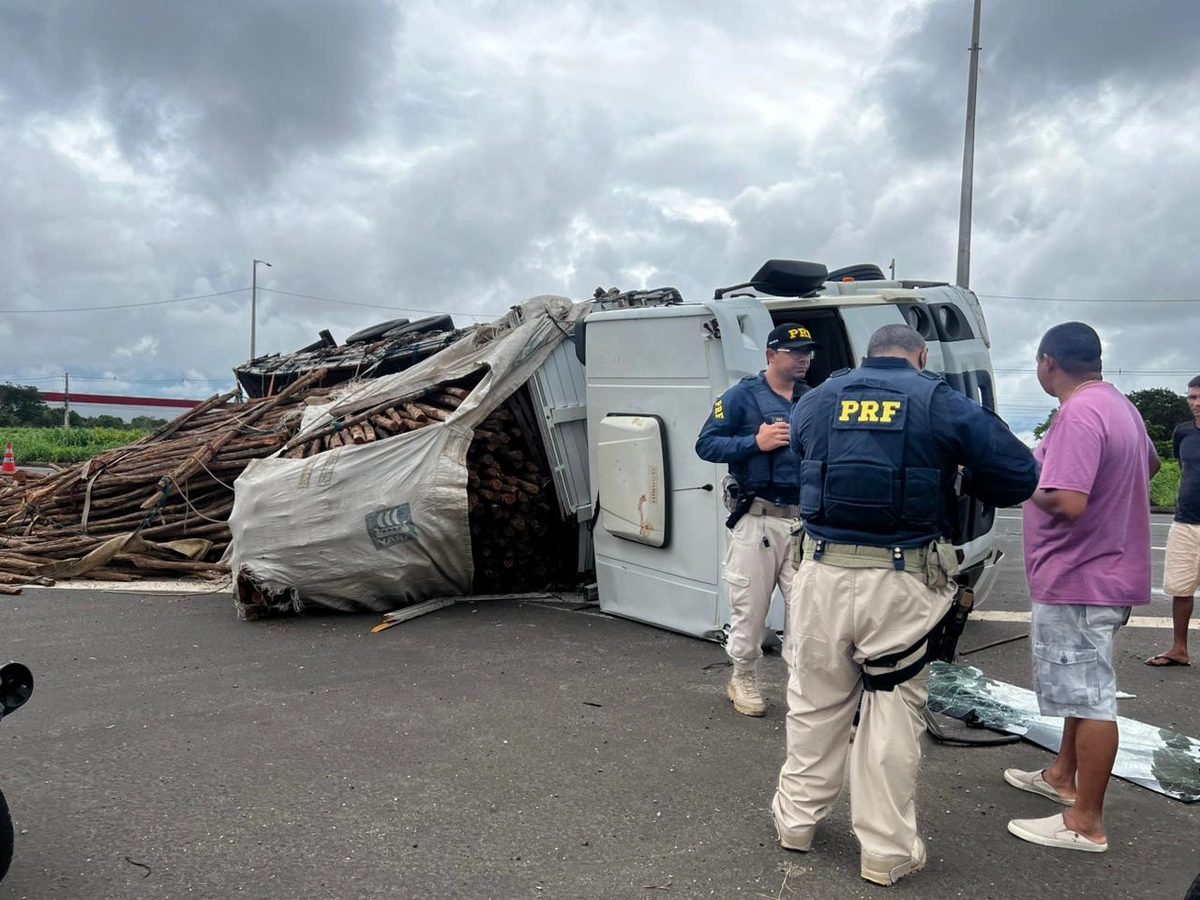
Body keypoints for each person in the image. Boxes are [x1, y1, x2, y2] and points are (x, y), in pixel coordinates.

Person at [772, 324, 1037, 886]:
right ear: (921, 355)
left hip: (819, 572)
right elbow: (1019, 475)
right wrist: (961, 474)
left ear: (868, 354)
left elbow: (802, 451)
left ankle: (796, 822)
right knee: (891, 710)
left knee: (814, 701)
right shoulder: (940, 401)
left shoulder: (817, 400)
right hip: (901, 581)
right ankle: (885, 851)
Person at [1005, 322, 1159, 854]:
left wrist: (1024, 480)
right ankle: (1061, 776)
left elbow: (1068, 501)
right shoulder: (1121, 407)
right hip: (1109, 571)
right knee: (1082, 688)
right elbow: (1150, 464)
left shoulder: (1078, 412)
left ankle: (1086, 821)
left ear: (1047, 362)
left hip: (1080, 576)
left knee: (1092, 699)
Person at [696, 322, 818, 717]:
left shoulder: (813, 399)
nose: (803, 359)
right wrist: (755, 442)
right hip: (757, 518)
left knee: (808, 614)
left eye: (807, 352)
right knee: (750, 608)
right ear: (770, 355)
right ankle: (743, 677)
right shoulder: (741, 397)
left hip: (802, 523)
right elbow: (706, 444)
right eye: (794, 352)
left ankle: (804, 690)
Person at [1146, 375, 1200, 667]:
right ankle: (1179, 649)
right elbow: (1184, 468)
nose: (1196, 403)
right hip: (1185, 522)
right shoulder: (1183, 432)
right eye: (1192, 397)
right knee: (1181, 588)